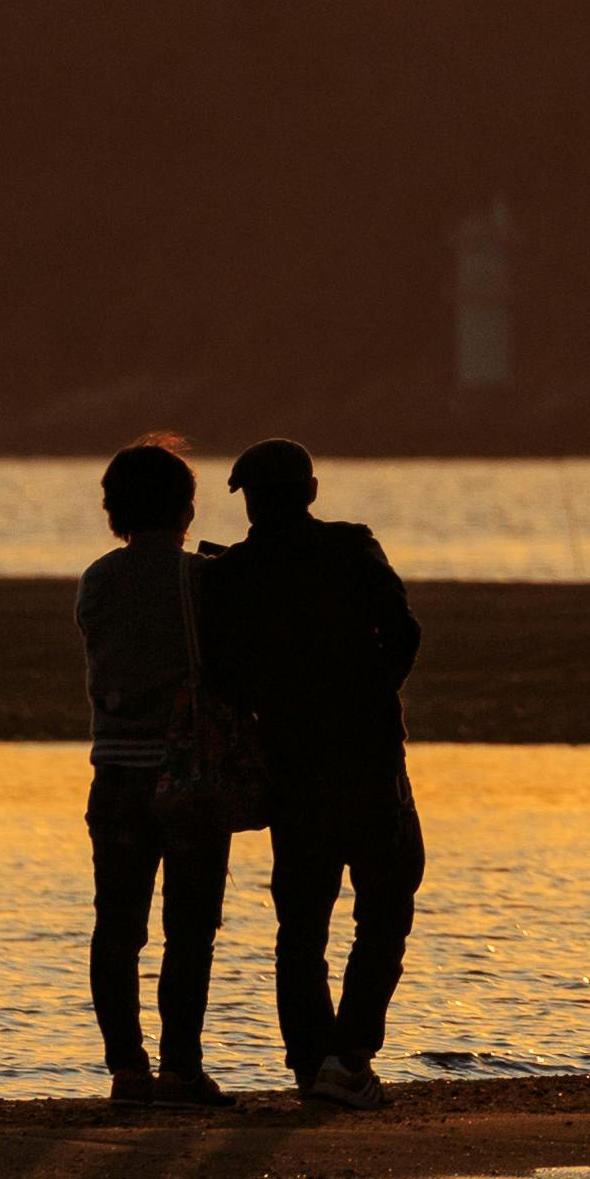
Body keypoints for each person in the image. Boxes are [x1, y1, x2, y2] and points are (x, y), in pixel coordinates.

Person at [199, 436, 422, 1112]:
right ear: (312, 492)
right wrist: (372, 694)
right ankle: (348, 1057)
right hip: (368, 756)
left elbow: (224, 672)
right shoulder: (352, 546)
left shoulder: (234, 574)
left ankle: (313, 1063)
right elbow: (404, 633)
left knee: (302, 922)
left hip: (292, 763)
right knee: (385, 902)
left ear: (250, 502)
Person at [75, 439, 238, 1110]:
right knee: (190, 930)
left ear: (115, 509)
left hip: (114, 773)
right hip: (187, 777)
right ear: (186, 507)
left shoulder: (97, 579)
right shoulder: (201, 581)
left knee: (117, 928)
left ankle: (126, 1071)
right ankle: (182, 1070)